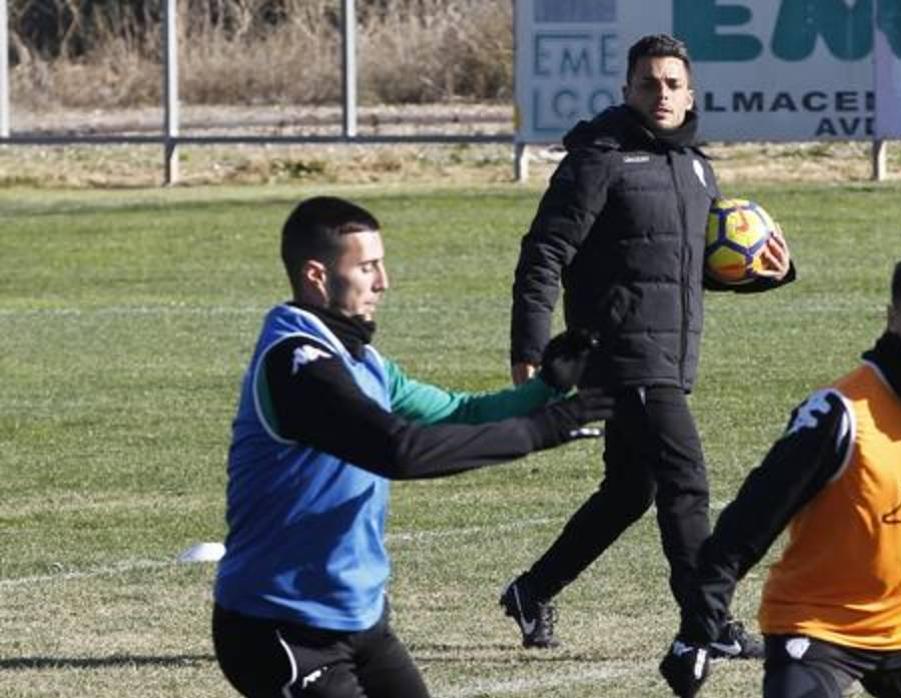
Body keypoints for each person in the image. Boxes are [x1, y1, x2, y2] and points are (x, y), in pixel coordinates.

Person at [212, 196, 612, 698]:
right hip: (279, 627)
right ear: (317, 275)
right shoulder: (297, 365)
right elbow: (398, 451)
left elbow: (460, 412)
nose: (383, 282)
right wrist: (540, 429)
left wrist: (545, 390)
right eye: (366, 267)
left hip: (361, 619)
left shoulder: (365, 361)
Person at [501, 33, 795, 657]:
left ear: (689, 93)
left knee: (630, 491)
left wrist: (769, 269)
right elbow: (546, 250)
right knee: (685, 476)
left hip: (669, 353)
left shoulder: (695, 165)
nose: (660, 93)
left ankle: (532, 590)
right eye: (647, 83)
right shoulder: (599, 157)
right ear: (626, 91)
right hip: (619, 351)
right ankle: (706, 623)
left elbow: (685, 267)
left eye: (671, 83)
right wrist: (529, 341)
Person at [660, 250, 901, 697]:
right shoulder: (841, 415)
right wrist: (697, 631)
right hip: (820, 629)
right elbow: (744, 528)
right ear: (892, 319)